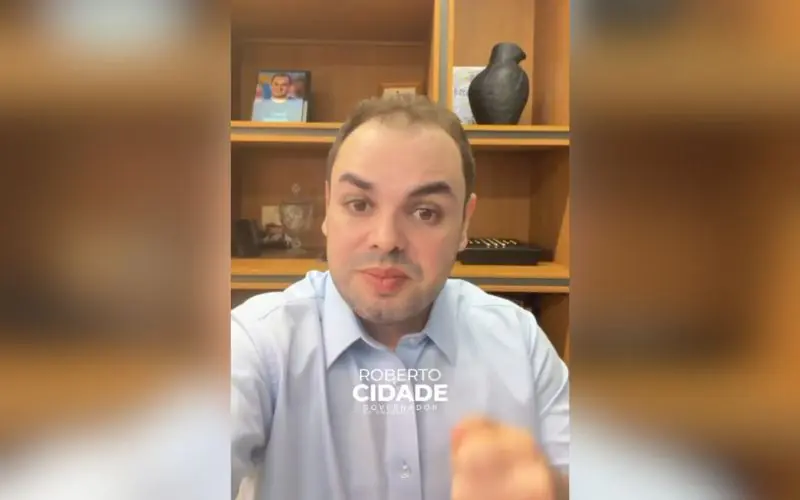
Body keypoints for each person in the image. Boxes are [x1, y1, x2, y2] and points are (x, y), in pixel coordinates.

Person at [231, 96, 570, 500]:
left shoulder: (519, 342)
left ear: (465, 222)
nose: (387, 239)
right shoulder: (258, 342)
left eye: (425, 212)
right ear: (328, 209)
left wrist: (553, 490)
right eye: (359, 204)